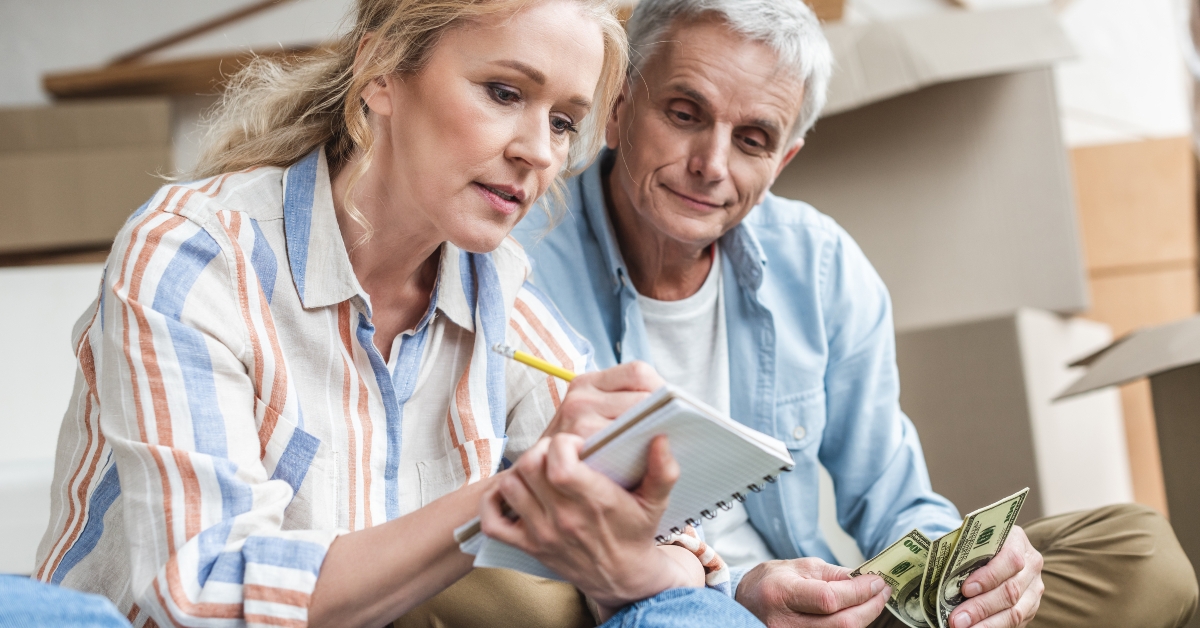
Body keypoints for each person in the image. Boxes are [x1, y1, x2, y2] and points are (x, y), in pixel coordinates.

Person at [29, 1, 767, 626]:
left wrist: (719, 576)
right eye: (505, 93)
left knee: (689, 611)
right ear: (381, 72)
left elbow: (669, 544)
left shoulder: (495, 290)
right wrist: (508, 501)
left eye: (566, 122)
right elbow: (201, 595)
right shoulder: (195, 257)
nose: (537, 151)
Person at [510, 1, 1200, 627]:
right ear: (621, 104)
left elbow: (897, 508)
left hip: (826, 611)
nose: (711, 165)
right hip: (644, 603)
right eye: (685, 114)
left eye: (753, 139)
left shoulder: (821, 265)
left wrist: (978, 574)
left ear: (785, 158)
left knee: (1138, 553)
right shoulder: (517, 255)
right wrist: (741, 589)